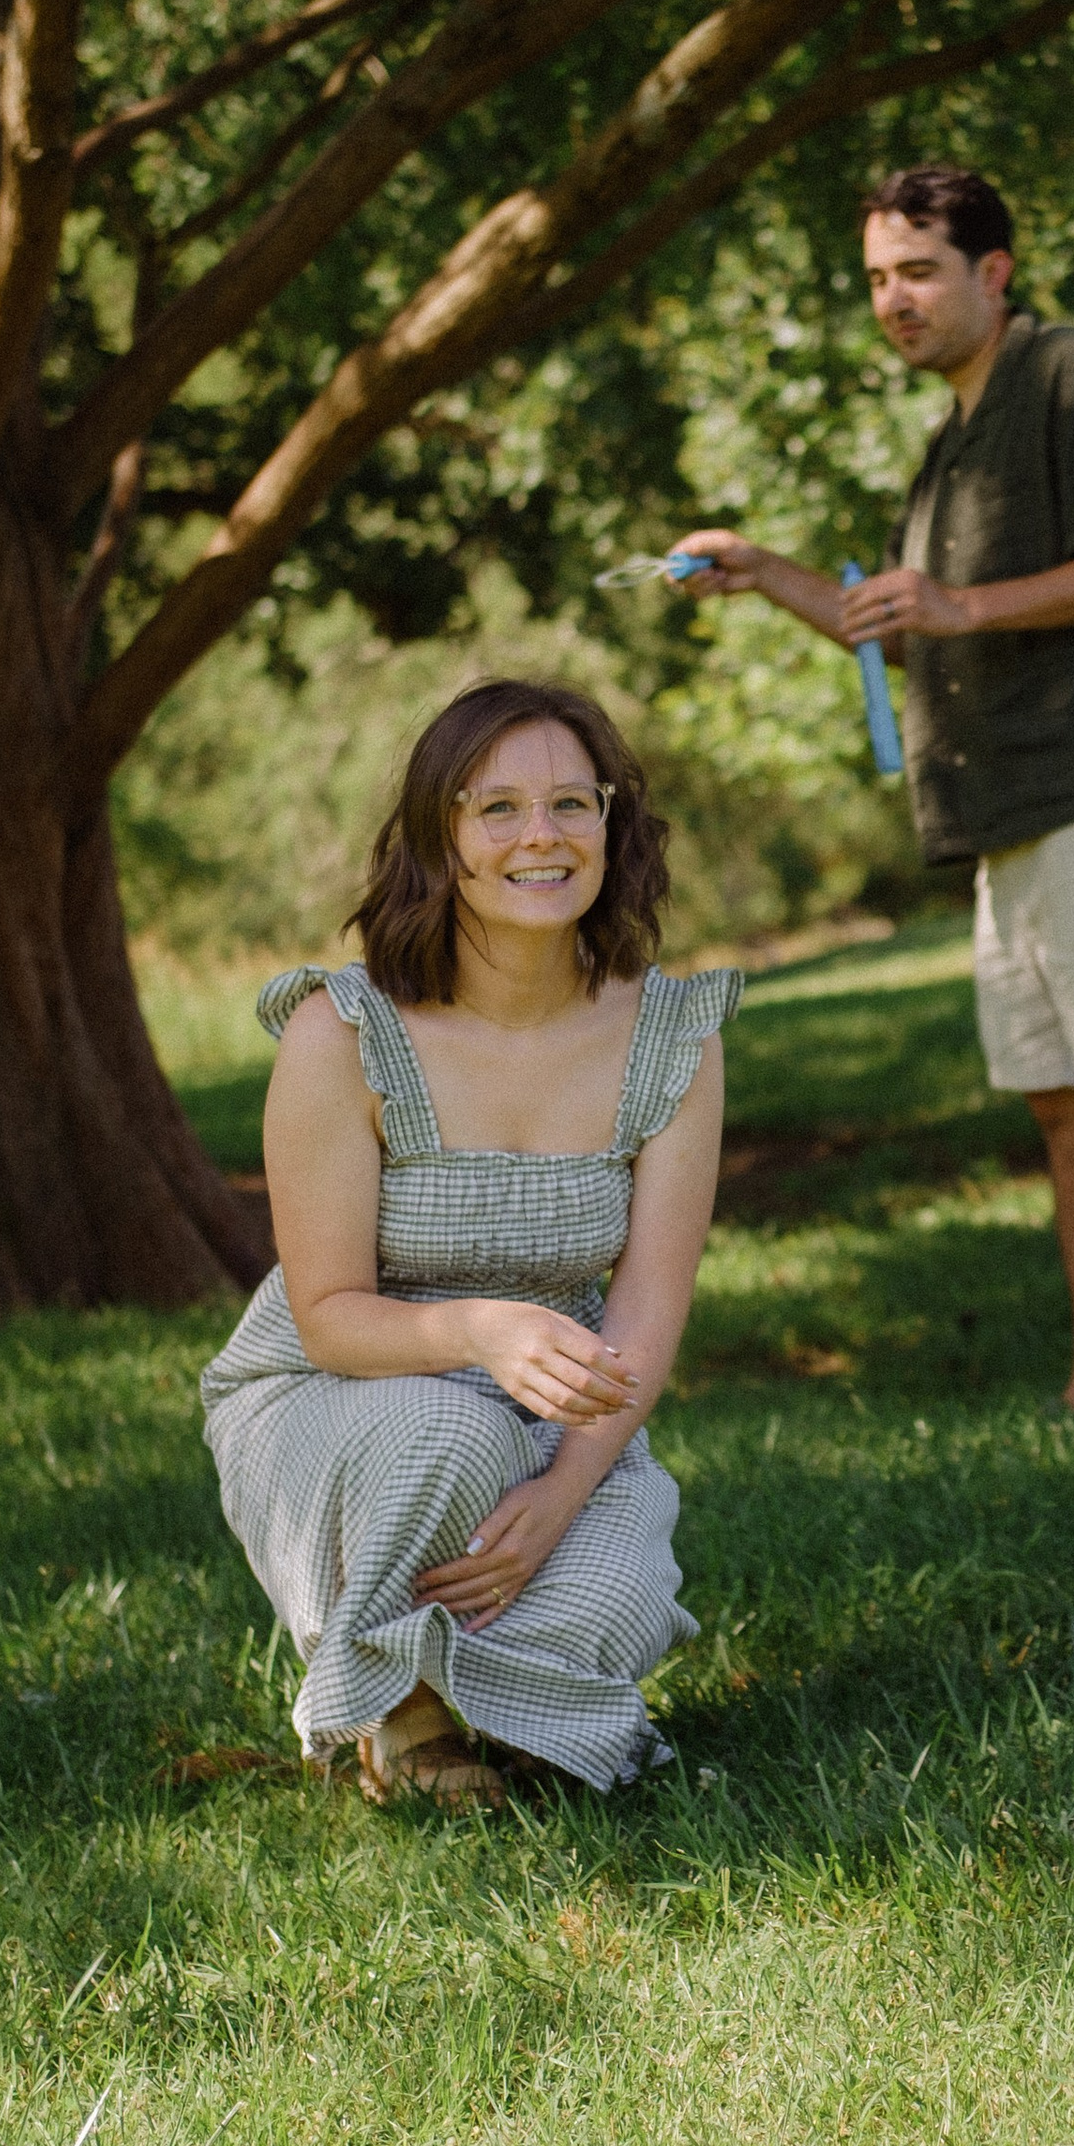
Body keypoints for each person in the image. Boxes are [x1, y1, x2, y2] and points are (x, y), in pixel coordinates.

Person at [671, 162, 1074, 1412]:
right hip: (1002, 809)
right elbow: (906, 630)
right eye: (876, 279)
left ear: (993, 272)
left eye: (918, 271)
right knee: (1064, 1100)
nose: (894, 301)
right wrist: (761, 572)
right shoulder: (948, 442)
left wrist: (958, 602)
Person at [201, 680, 739, 1811]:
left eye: (569, 805)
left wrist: (561, 1496)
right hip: (344, 1390)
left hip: (560, 1413)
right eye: (495, 809)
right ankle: (399, 1714)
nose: (538, 836)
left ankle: (506, 1696)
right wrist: (478, 1329)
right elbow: (328, 1311)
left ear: (611, 825)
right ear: (438, 838)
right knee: (445, 1435)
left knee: (608, 1600)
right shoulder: (342, 1029)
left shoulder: (671, 1035)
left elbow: (643, 1318)